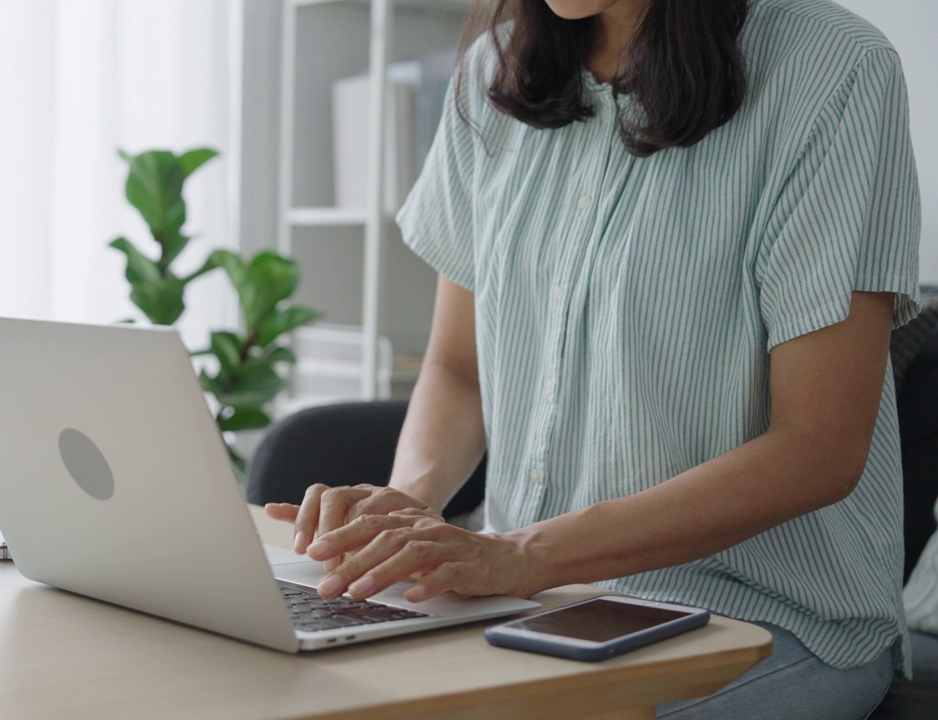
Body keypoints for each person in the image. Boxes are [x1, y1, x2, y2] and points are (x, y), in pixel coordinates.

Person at [264, 0, 921, 716]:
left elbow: (819, 443)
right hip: (524, 597)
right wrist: (411, 505)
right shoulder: (495, 72)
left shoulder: (833, 71)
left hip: (759, 615)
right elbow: (460, 368)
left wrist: (527, 554)